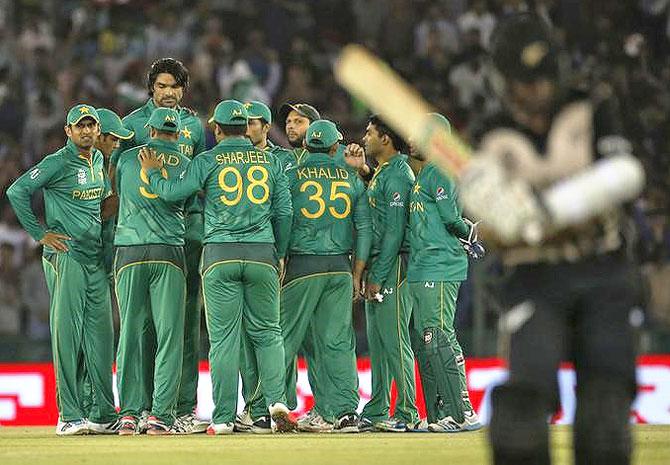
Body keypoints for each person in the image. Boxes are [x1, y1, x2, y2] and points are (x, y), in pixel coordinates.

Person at [464, 15, 643, 465]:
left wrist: (549, 211)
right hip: (534, 277)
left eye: (541, 79)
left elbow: (625, 173)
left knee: (605, 415)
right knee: (520, 416)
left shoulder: (591, 107)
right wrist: (494, 214)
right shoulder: (491, 135)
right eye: (523, 82)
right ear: (504, 81)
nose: (535, 92)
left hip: (601, 270)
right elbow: (485, 220)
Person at [138, 99, 297, 434]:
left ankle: (224, 417)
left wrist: (153, 173)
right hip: (262, 253)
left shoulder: (207, 159)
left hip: (220, 254)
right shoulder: (270, 161)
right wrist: (279, 253)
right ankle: (277, 399)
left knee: (224, 339)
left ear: (217, 129)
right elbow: (284, 213)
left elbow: (172, 193)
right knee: (269, 333)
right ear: (245, 128)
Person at [7, 104, 118, 436]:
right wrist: (40, 234)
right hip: (66, 256)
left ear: (97, 130)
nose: (86, 131)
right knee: (67, 336)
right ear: (68, 132)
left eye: (90, 125)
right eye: (79, 126)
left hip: (94, 257)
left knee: (101, 337)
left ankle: (100, 413)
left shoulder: (99, 160)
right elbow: (17, 191)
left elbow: (103, 206)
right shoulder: (57, 162)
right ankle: (69, 414)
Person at [113, 57, 208, 433]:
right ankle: (150, 408)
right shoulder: (131, 124)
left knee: (182, 326)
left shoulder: (195, 126)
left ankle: (179, 406)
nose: (168, 93)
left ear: (184, 90)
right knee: (149, 329)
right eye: (162, 86)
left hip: (180, 236)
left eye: (175, 87)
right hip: (151, 235)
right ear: (151, 88)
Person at [281, 119, 372, 433]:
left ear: (306, 146)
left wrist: (280, 257)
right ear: (336, 147)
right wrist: (357, 273)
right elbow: (364, 229)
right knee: (337, 342)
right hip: (339, 267)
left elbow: (281, 218)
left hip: (301, 266)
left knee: (282, 337)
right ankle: (344, 412)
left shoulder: (291, 176)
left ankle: (272, 407)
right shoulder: (351, 180)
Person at [406, 112, 484, 433]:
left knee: (438, 335)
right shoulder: (426, 173)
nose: (410, 140)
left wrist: (470, 233)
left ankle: (462, 412)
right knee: (427, 340)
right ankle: (440, 414)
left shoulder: (440, 171)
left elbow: (452, 218)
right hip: (424, 264)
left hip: (439, 264)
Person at [355, 115, 419, 432]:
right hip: (379, 265)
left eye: (369, 133)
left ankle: (407, 412)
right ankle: (379, 407)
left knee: (394, 340)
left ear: (385, 139)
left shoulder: (398, 176)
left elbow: (394, 233)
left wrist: (378, 273)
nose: (364, 138)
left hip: (392, 266)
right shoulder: (383, 173)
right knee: (379, 342)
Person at [235, 100, 294, 433]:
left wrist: (282, 251)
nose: (246, 127)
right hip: (261, 254)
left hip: (273, 255)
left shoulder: (282, 160)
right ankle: (262, 407)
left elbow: (286, 210)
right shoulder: (238, 160)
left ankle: (274, 402)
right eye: (242, 121)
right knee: (250, 335)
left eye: (253, 122)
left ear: (266, 126)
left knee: (273, 332)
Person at [94, 108, 134, 278]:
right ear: (98, 135)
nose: (117, 145)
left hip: (103, 258)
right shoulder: (82, 166)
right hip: (87, 259)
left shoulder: (103, 163)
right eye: (114, 139)